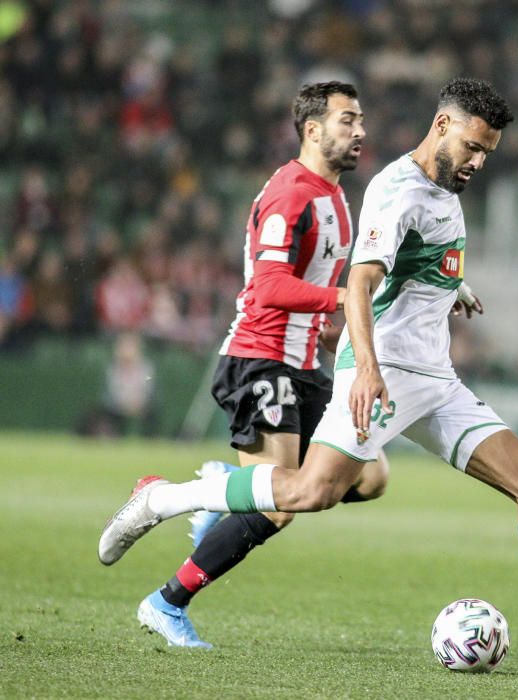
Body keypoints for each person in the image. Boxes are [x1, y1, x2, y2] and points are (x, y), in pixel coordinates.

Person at [100, 77, 518, 666]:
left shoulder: (444, 188)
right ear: (443, 125)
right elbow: (361, 283)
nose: (479, 161)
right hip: (386, 370)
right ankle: (164, 499)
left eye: (488, 153)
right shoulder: (396, 189)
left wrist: (450, 286)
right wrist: (369, 372)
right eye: (474, 147)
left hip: (435, 378)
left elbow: (412, 260)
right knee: (306, 491)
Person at [134, 82, 391, 648]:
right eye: (348, 120)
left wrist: (329, 330)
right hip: (259, 358)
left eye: (362, 119)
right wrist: (347, 302)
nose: (361, 131)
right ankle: (166, 601)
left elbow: (311, 289)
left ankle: (231, 485)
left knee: (370, 477)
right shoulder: (291, 194)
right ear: (312, 129)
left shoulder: (336, 196)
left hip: (301, 364)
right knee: (281, 505)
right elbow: (270, 287)